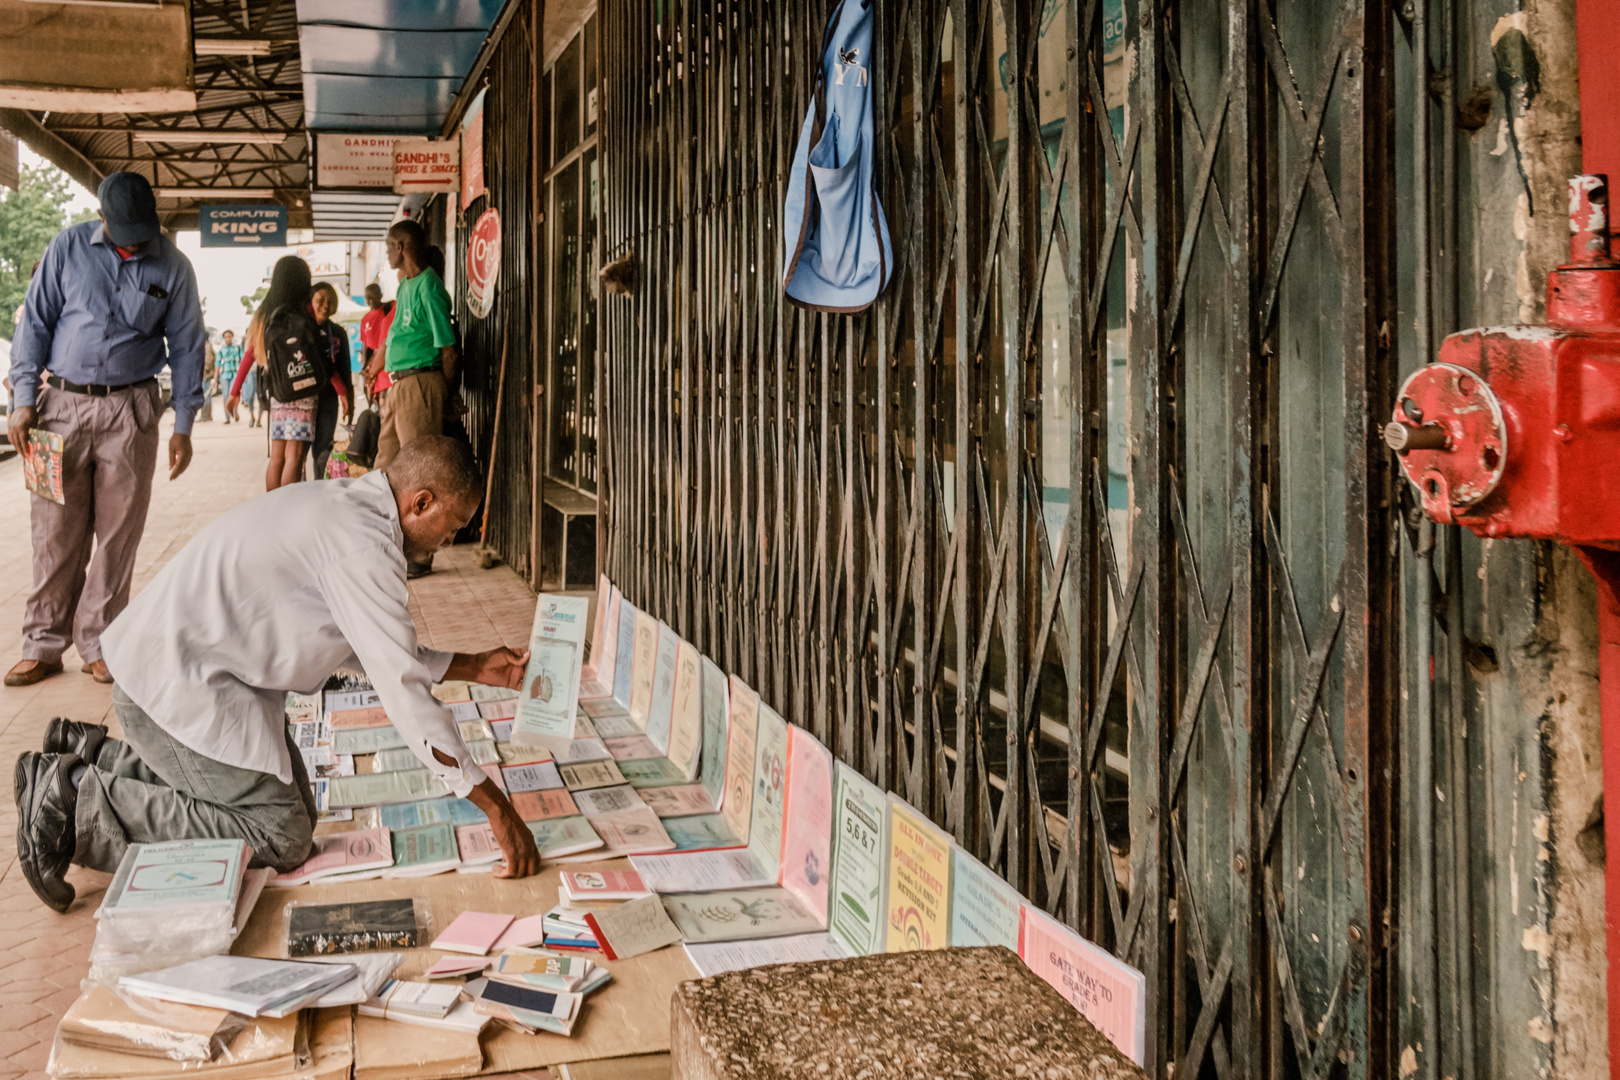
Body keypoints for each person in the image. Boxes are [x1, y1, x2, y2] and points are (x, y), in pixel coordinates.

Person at [11, 436, 544, 911]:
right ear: (420, 502)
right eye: (450, 528)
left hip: (194, 672)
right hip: (170, 683)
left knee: (297, 814)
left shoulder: (351, 509)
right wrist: (496, 807)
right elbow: (403, 691)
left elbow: (371, 648)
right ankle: (71, 800)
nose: (448, 543)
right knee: (279, 836)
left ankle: (95, 754)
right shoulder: (364, 546)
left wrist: (474, 665)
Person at [4, 171, 205, 688]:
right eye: (125, 230)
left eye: (144, 229)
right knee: (53, 533)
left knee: (118, 535)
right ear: (101, 218)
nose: (136, 241)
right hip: (60, 411)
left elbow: (186, 347)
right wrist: (22, 399)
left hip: (131, 412)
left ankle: (101, 642)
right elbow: (35, 326)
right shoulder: (66, 248)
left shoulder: (174, 266)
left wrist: (183, 424)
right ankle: (43, 644)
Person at [364, 221, 456, 474]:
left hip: (421, 384)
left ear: (400, 247)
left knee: (418, 468)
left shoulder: (429, 286)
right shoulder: (406, 286)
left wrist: (445, 397)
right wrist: (373, 370)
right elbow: (393, 337)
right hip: (400, 385)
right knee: (385, 467)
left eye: (388, 248)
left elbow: (449, 350)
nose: (387, 254)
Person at [230, 257, 324, 491]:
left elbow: (249, 354)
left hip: (277, 390)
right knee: (296, 455)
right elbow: (314, 353)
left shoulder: (263, 312)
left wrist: (234, 390)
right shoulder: (302, 310)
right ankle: (286, 510)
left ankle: (272, 508)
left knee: (277, 456)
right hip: (302, 387)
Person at [310, 282, 354, 479]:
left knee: (323, 447)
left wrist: (349, 401)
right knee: (298, 451)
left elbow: (345, 370)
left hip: (328, 399)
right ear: (310, 301)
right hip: (304, 397)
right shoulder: (303, 329)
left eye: (331, 301)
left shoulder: (338, 333)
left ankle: (319, 487)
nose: (326, 306)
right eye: (320, 300)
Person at [217, 329, 242, 425]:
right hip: (224, 375)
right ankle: (227, 416)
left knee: (234, 394)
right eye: (226, 337)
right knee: (225, 395)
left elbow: (242, 361)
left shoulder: (237, 348)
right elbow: (217, 363)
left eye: (229, 337)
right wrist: (215, 379)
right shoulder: (221, 349)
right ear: (223, 338)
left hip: (235, 374)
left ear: (232, 337)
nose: (228, 339)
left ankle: (235, 410)